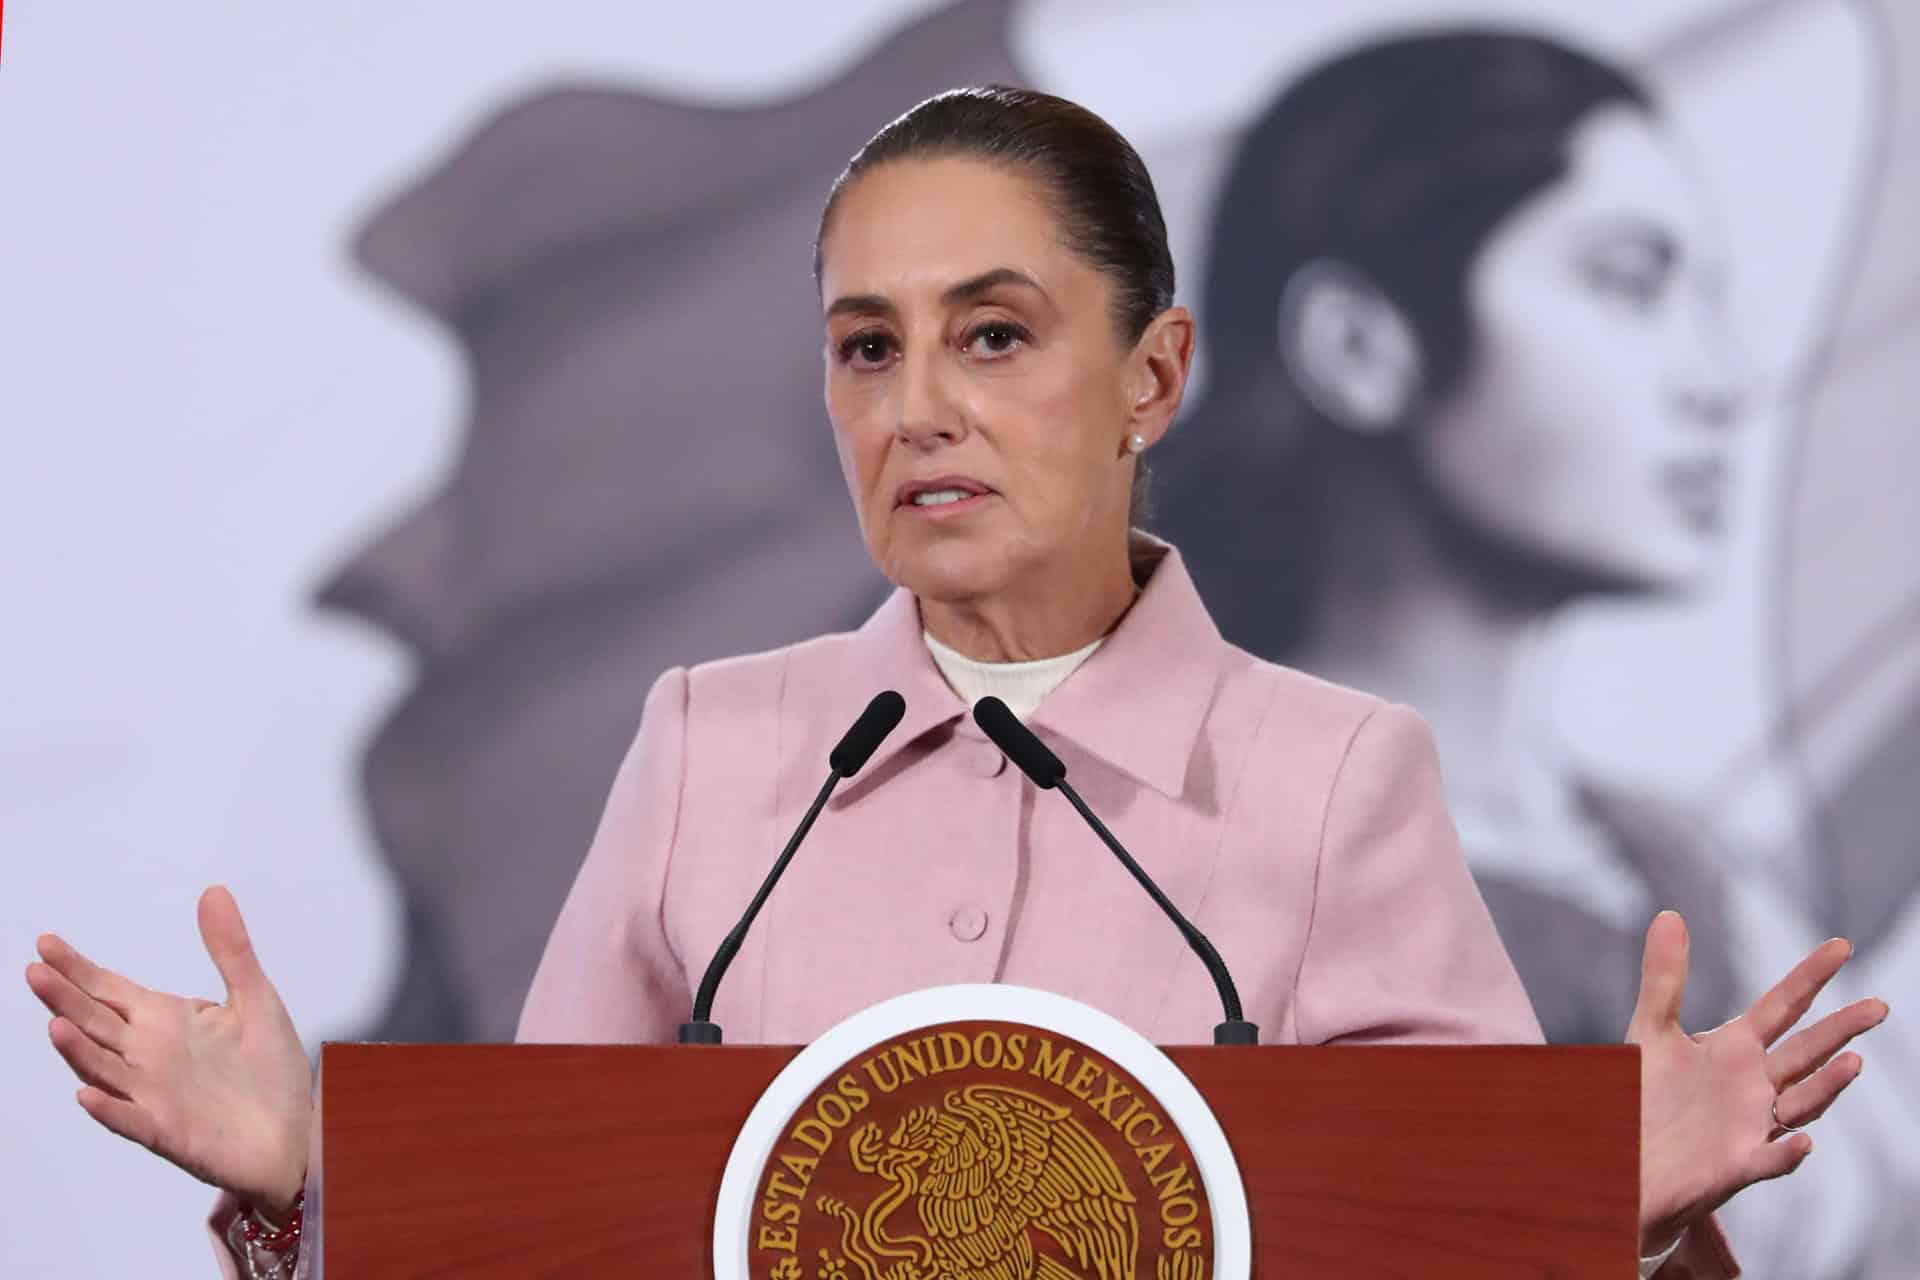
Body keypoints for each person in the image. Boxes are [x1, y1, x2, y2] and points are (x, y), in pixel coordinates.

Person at [24, 86, 1887, 1279]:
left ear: (1153, 381)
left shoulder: (1342, 778)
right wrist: (300, 1179)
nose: (916, 408)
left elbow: (1448, 1250)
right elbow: (549, 1229)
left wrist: (1616, 1218)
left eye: (994, 335)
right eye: (864, 348)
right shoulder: (708, 746)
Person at [1151, 28, 1917, 1273]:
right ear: (1361, 342)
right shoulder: (1163, 863)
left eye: (1708, 301)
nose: (1717, 380)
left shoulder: (1690, 872)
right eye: (1627, 282)